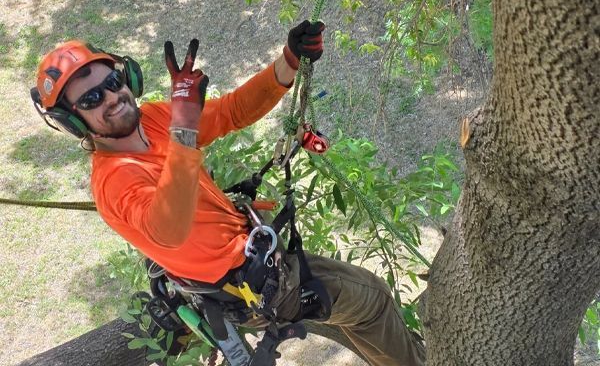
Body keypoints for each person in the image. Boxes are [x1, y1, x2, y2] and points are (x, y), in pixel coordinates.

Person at [31, 21, 425, 366]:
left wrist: (288, 60)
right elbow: (169, 229)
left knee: (356, 307)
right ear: (72, 120)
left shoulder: (152, 119)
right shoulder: (114, 182)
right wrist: (183, 126)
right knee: (371, 299)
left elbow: (231, 112)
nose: (112, 98)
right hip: (252, 287)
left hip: (256, 260)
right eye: (91, 100)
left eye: (112, 83)